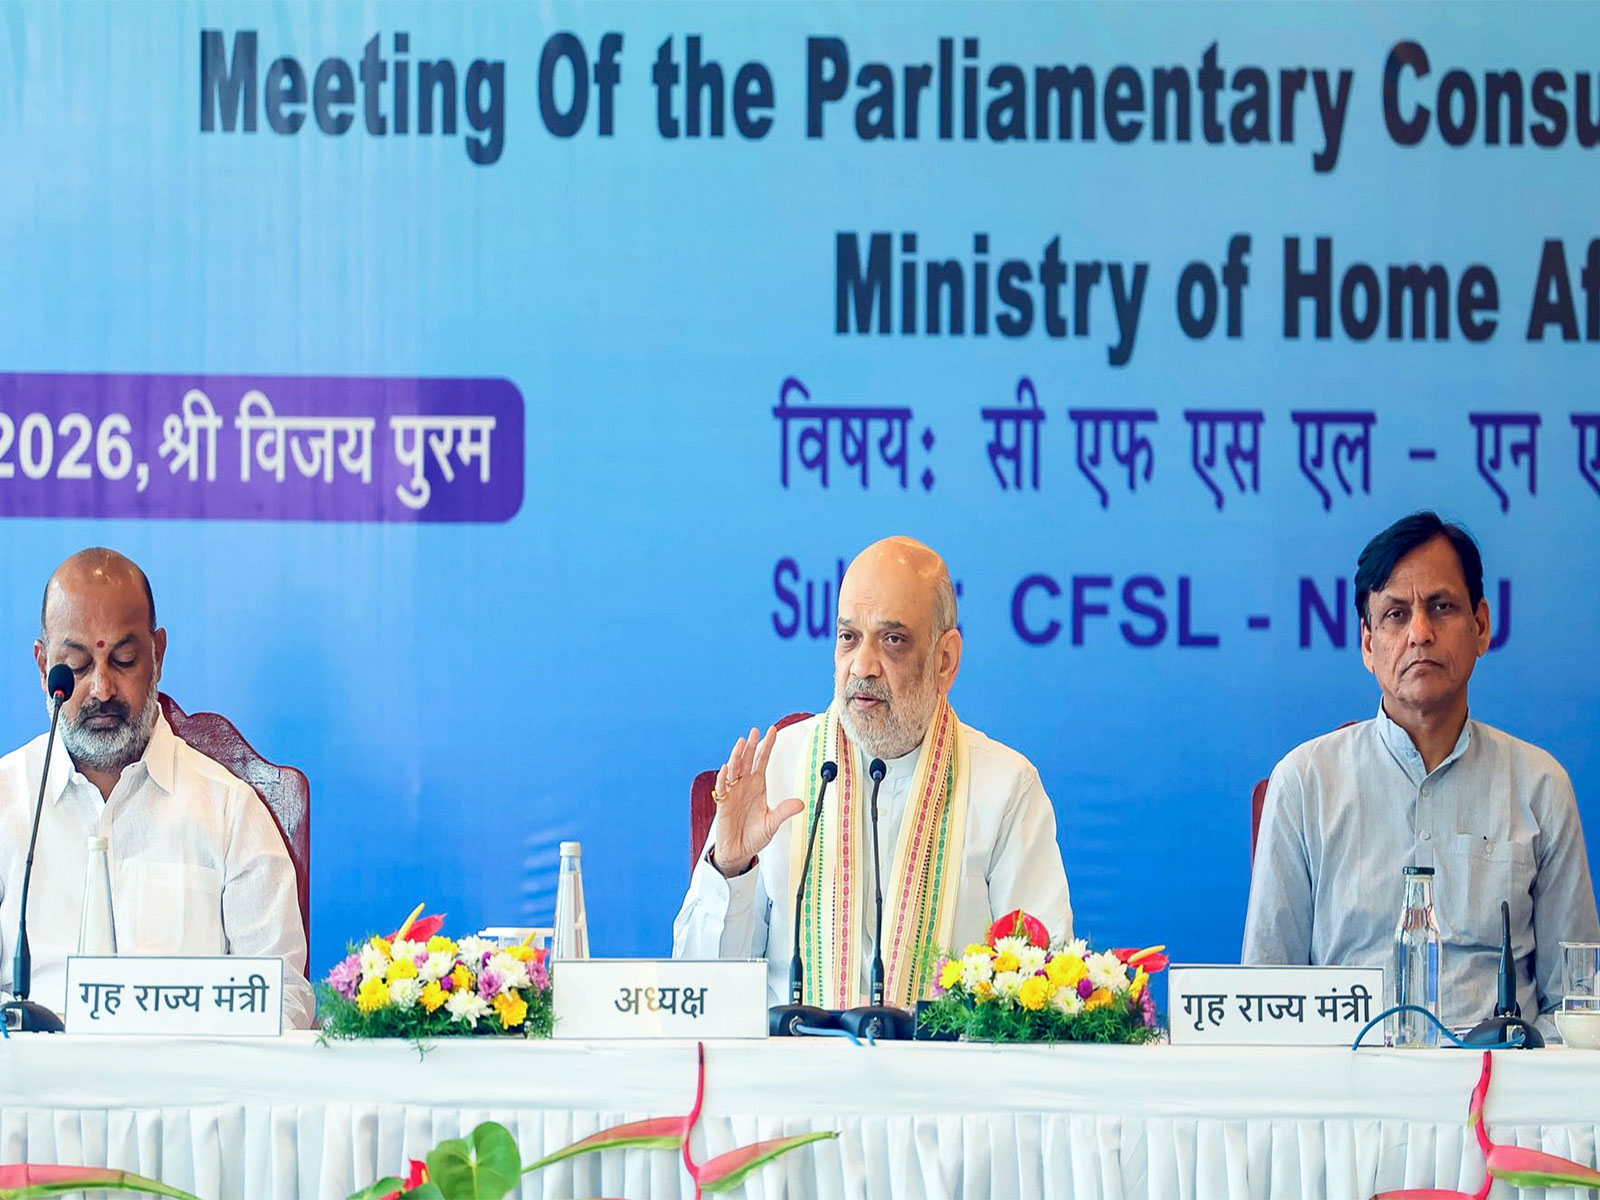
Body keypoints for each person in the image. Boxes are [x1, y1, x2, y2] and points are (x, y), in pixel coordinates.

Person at [673, 536, 1072, 1008]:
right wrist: (732, 866)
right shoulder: (778, 770)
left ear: (945, 660)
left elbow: (1041, 992)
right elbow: (698, 991)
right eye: (848, 637)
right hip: (794, 1075)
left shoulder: (1006, 789)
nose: (862, 665)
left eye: (893, 640)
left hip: (950, 1080)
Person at [1243, 512, 1599, 1033]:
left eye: (1441, 607)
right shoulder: (1304, 784)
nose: (1420, 633)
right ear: (1368, 644)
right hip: (1347, 1097)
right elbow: (1265, 1000)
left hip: (1498, 1095)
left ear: (1481, 627)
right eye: (1395, 614)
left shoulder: (1539, 786)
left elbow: (1577, 1004)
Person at [0, 549, 314, 1028]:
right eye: (77, 667)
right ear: (44, 666)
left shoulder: (230, 813)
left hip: (192, 1096)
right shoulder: (7, 803)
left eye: (123, 660)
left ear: (158, 655)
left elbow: (285, 1002)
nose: (102, 689)